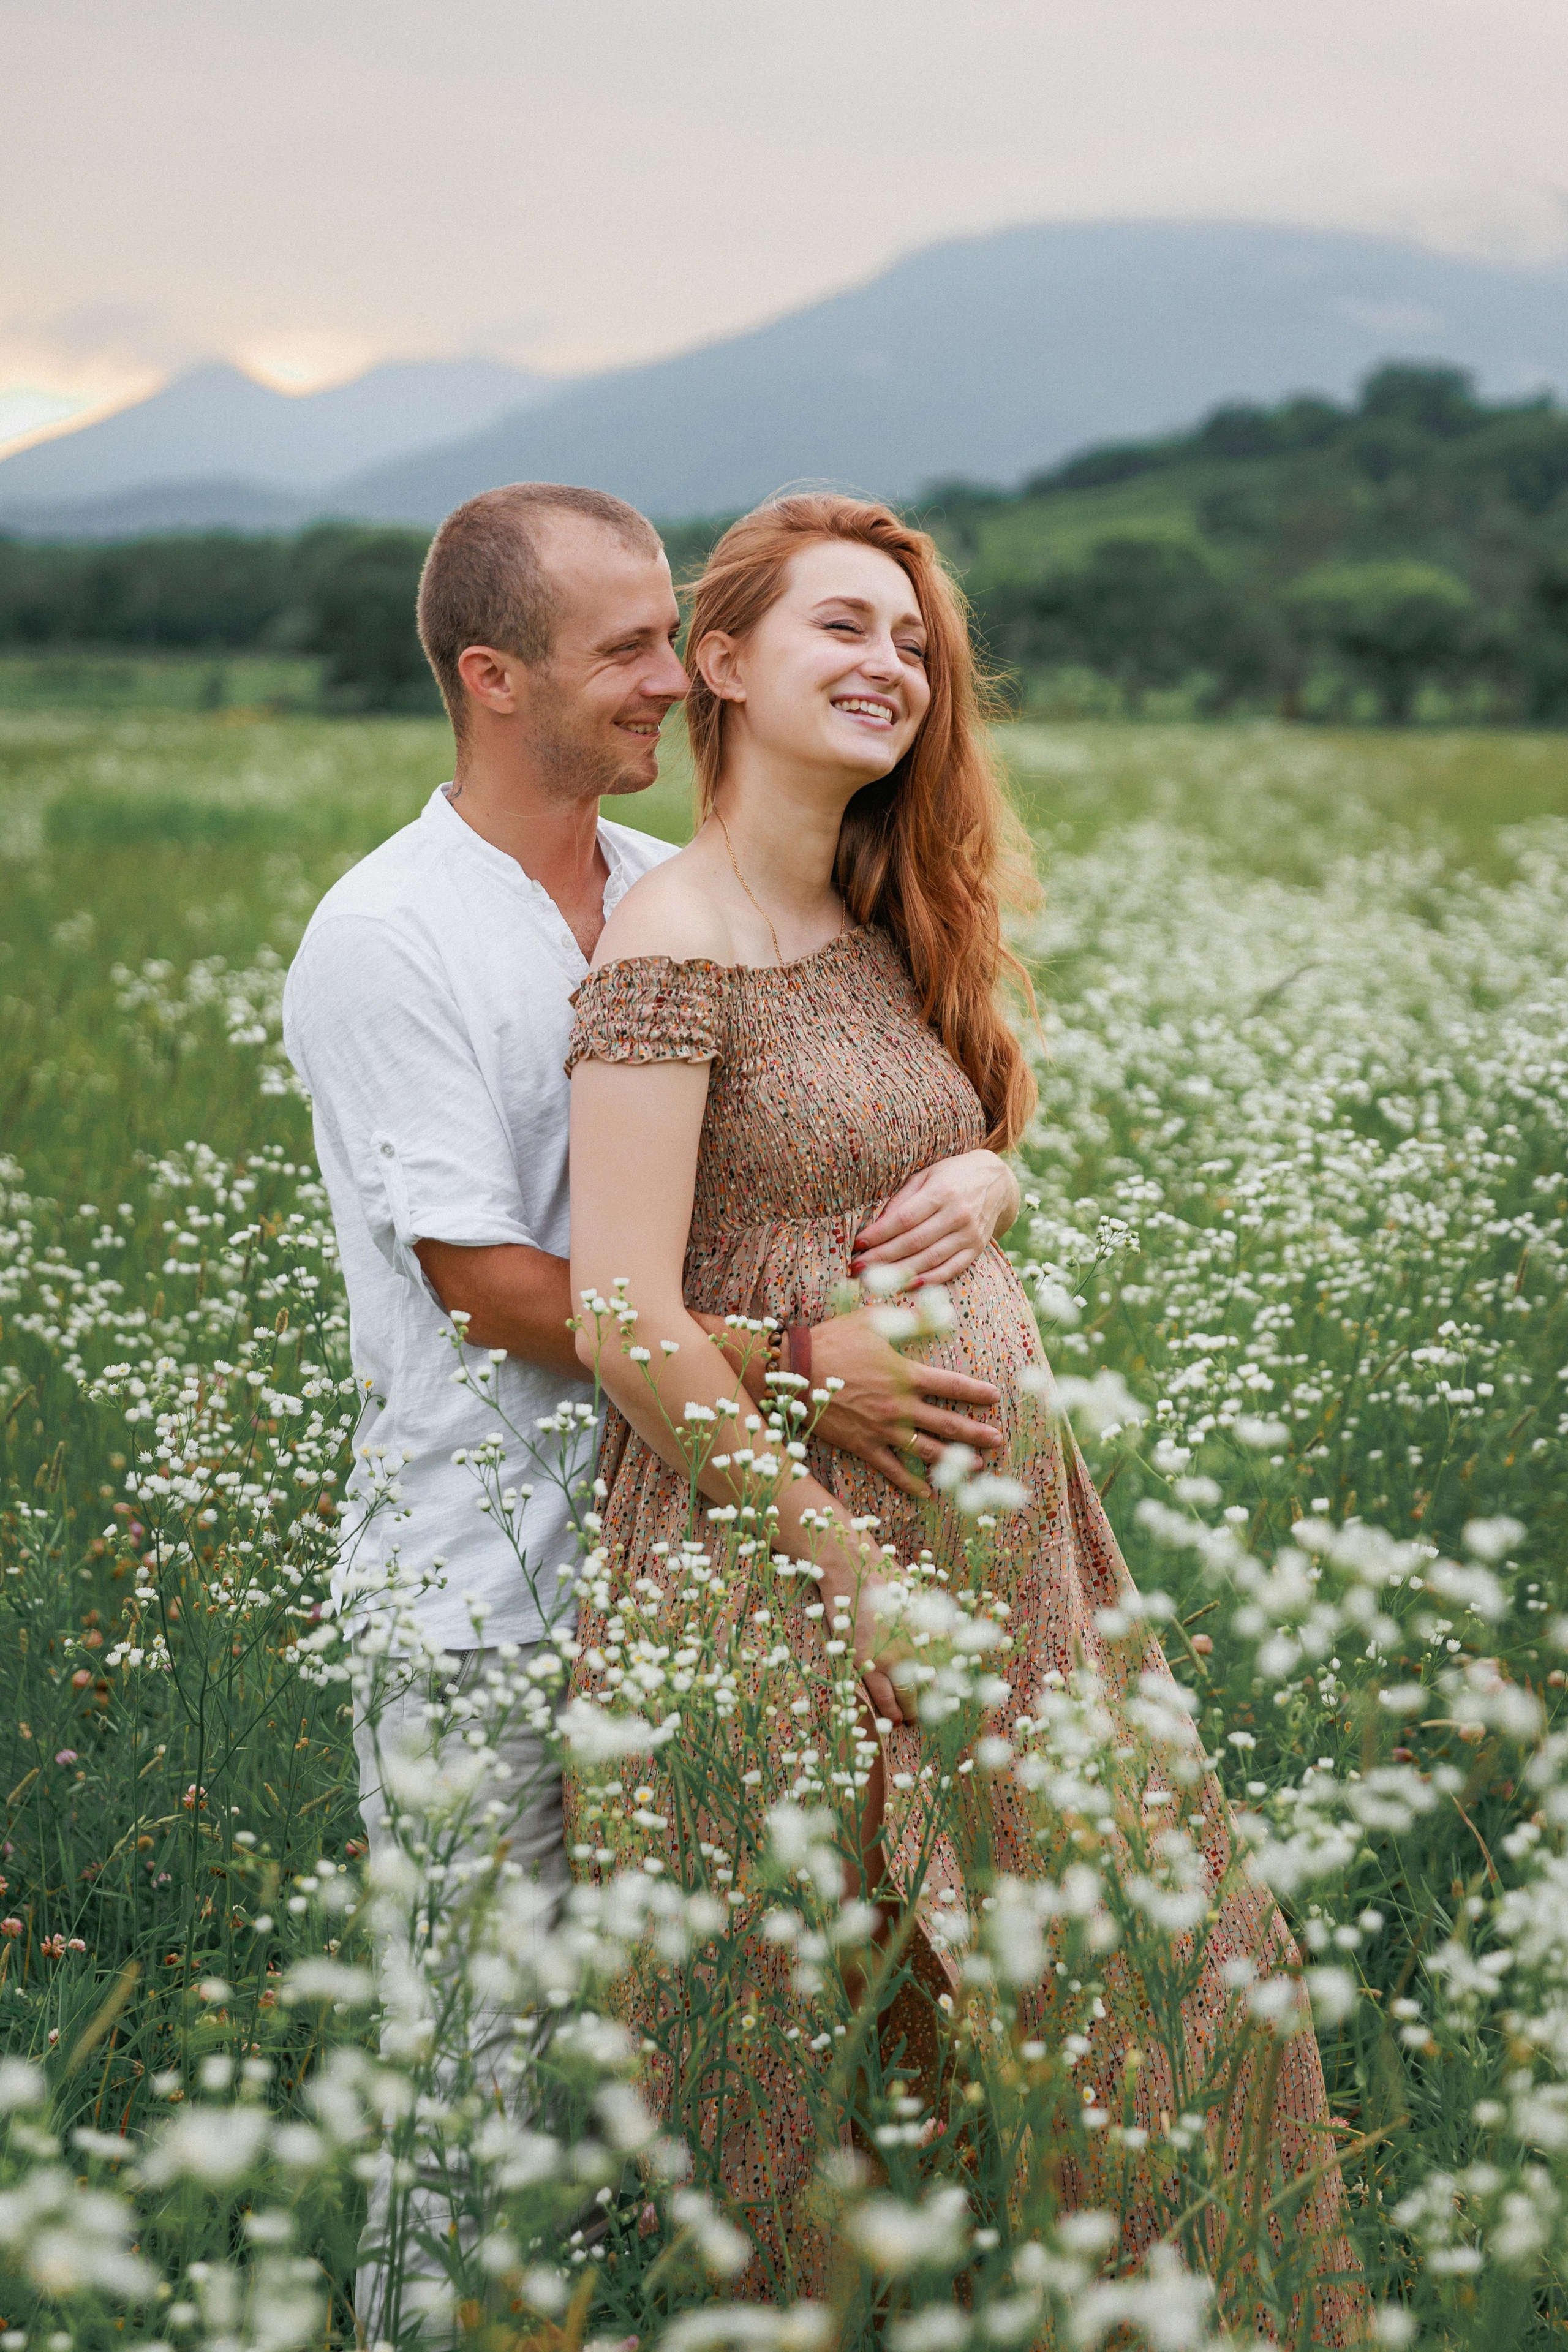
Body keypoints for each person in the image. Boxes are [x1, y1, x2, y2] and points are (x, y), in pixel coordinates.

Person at [564, 492, 1360, 2331]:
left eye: (915, 645)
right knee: (808, 2083)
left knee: (1155, 1989)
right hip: (786, 1576)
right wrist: (854, 1577)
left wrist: (992, 1175)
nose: (891, 667)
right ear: (723, 663)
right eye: (842, 628)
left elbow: (919, 1138)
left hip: (1000, 1573)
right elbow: (619, 1312)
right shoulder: (669, 948)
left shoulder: (864, 906)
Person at [281, 480, 1016, 2337]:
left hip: (683, 1573)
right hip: (488, 1590)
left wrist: (994, 1172)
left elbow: (843, 1107)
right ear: (490, 673)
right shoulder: (393, 935)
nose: (666, 681)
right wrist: (796, 1372)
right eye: (622, 649)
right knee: (481, 2092)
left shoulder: (647, 887)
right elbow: (486, 1278)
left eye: (667, 635)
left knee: (679, 2097)